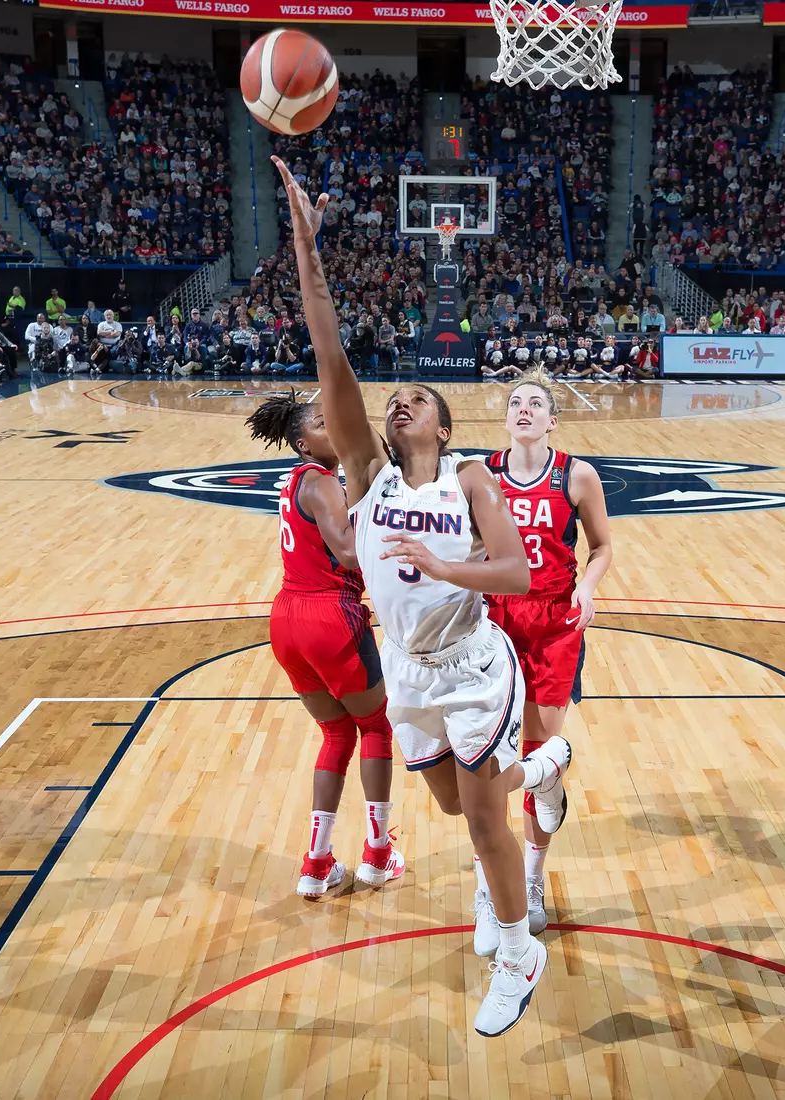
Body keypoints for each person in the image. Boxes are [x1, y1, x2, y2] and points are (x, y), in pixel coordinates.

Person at [275, 155, 574, 1036]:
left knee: (485, 828)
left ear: (441, 423)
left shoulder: (473, 479)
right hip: (407, 670)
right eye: (391, 396)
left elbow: (519, 573)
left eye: (415, 399)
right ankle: (549, 768)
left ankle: (519, 953)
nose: (398, 402)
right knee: (449, 805)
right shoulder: (366, 478)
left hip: (476, 663)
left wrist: (447, 571)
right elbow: (328, 342)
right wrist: (307, 247)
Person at [246, 392, 405, 898]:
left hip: (288, 618)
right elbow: (347, 551)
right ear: (301, 443)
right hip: (328, 614)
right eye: (320, 422)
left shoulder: (298, 482)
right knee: (376, 727)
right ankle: (378, 857)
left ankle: (317, 865)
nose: (331, 425)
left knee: (337, 734)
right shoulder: (320, 482)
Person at [482, 370, 614, 938]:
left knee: (536, 748)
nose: (525, 409)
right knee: (485, 755)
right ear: (506, 417)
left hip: (556, 622)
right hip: (496, 621)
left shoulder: (576, 475)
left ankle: (532, 873)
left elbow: (603, 546)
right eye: (516, 402)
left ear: (553, 420)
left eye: (536, 403)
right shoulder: (481, 475)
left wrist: (587, 585)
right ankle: (491, 885)